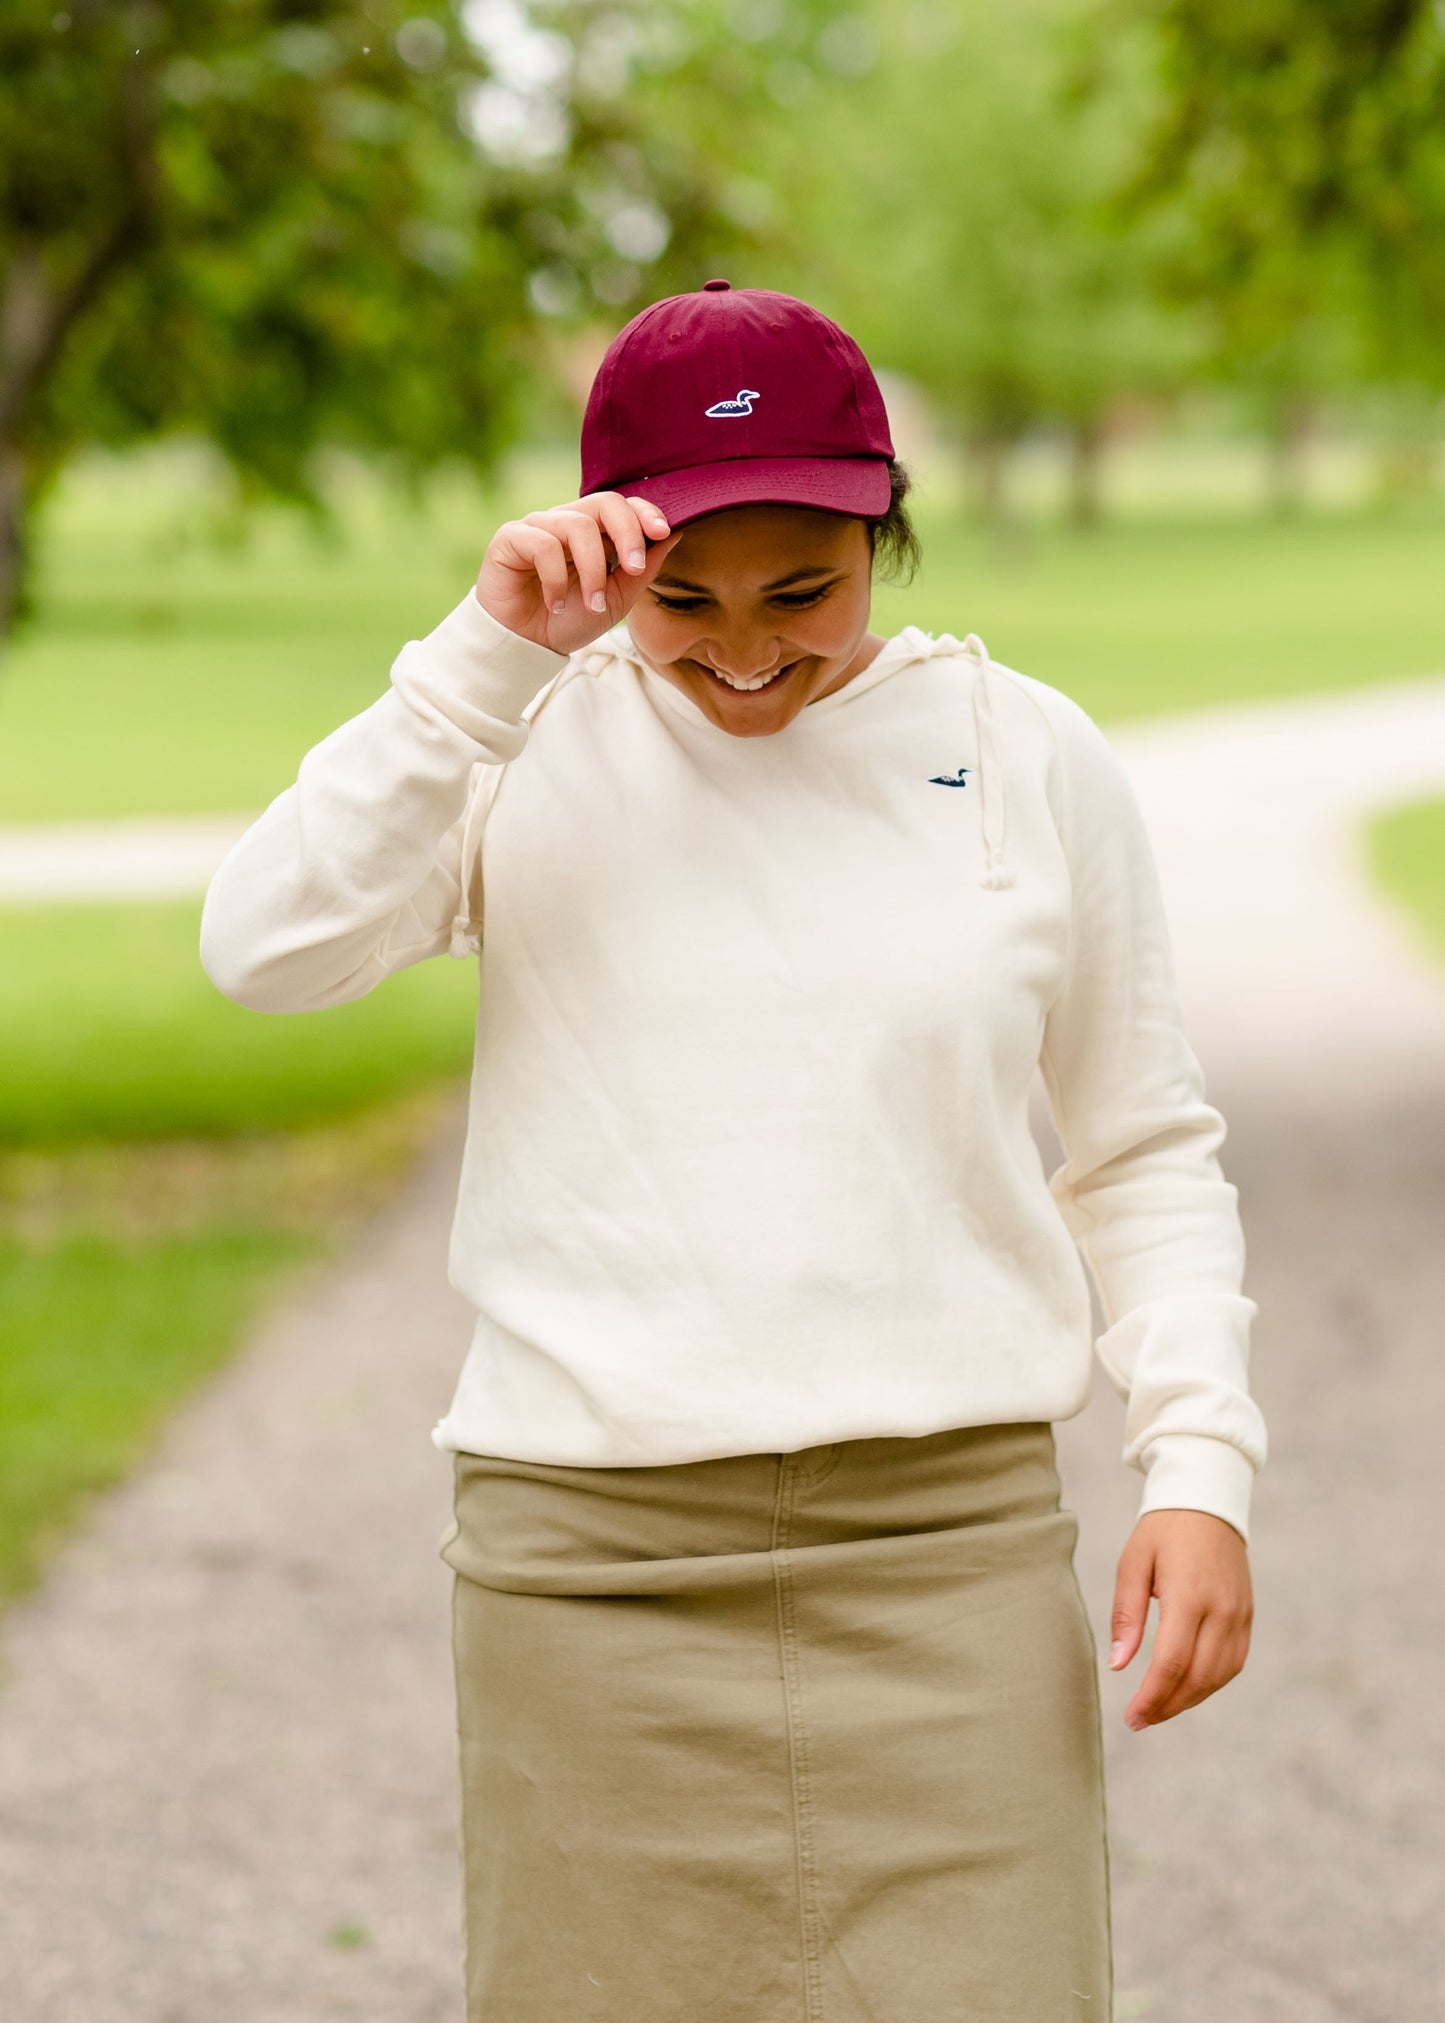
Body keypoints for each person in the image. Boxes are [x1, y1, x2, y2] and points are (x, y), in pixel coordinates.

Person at [199, 279, 1266, 2021]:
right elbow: (266, 952)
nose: (748, 648)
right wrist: (480, 659)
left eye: (805, 591)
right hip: (588, 1574)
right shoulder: (519, 740)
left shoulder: (1024, 758)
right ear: (608, 557)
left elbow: (1141, 1147)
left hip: (946, 1566)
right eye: (681, 600)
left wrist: (1199, 1466)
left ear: (885, 533)